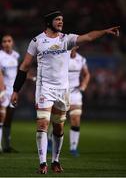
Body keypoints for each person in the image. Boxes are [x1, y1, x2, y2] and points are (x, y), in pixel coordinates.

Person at [11, 10, 119, 174]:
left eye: (62, 19)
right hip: (44, 88)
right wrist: (15, 90)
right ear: (49, 22)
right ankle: (42, 164)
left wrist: (104, 32)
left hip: (63, 90)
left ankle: (55, 160)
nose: (61, 22)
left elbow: (88, 37)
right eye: (57, 19)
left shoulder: (66, 39)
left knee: (58, 128)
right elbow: (24, 66)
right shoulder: (37, 41)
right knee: (42, 124)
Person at [68, 47, 90, 156]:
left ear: (77, 46)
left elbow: (86, 74)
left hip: (75, 93)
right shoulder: (61, 58)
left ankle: (73, 147)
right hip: (60, 92)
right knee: (57, 121)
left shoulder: (81, 59)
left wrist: (84, 84)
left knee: (76, 119)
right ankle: (49, 140)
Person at [0, 35, 20, 152]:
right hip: (3, 91)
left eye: (9, 41)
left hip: (13, 92)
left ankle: (7, 146)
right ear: (2, 44)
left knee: (9, 118)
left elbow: (18, 73)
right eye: (4, 41)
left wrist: (17, 90)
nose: (7, 43)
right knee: (1, 117)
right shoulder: (0, 56)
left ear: (12, 43)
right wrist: (2, 90)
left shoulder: (16, 55)